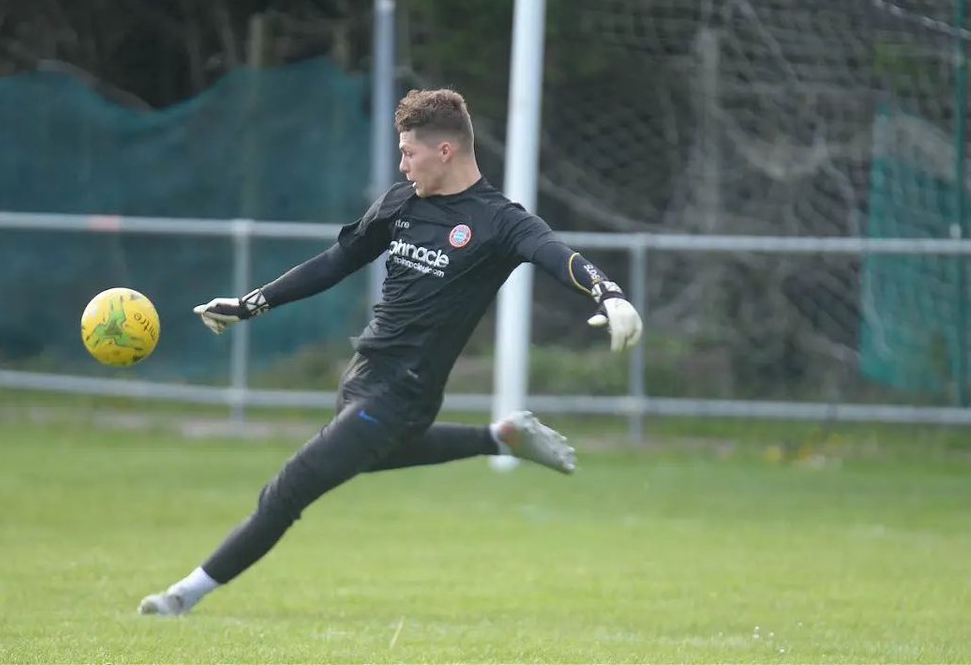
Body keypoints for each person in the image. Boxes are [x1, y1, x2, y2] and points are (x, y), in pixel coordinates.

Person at [138, 88, 643, 616]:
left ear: (445, 151)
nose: (401, 165)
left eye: (409, 152)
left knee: (287, 492)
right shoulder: (402, 203)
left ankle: (181, 598)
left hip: (406, 392)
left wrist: (608, 293)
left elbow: (555, 254)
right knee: (374, 455)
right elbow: (337, 261)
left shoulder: (499, 221)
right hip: (361, 379)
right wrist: (251, 303)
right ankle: (500, 438)